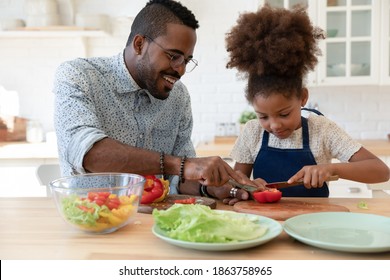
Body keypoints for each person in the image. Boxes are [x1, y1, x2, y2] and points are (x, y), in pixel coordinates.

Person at [53, 0, 251, 196]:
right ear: (139, 44)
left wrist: (212, 186)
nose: (181, 69)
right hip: (90, 221)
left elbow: (180, 179)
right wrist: (181, 165)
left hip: (158, 223)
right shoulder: (78, 75)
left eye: (187, 61)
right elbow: (89, 154)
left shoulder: (178, 96)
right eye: (174, 56)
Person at [205, 4, 390, 204]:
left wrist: (331, 168)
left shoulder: (323, 130)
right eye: (263, 116)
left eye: (284, 114)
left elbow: (380, 171)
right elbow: (236, 182)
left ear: (302, 97)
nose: (274, 125)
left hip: (316, 223)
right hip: (264, 221)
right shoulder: (252, 132)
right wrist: (245, 188)